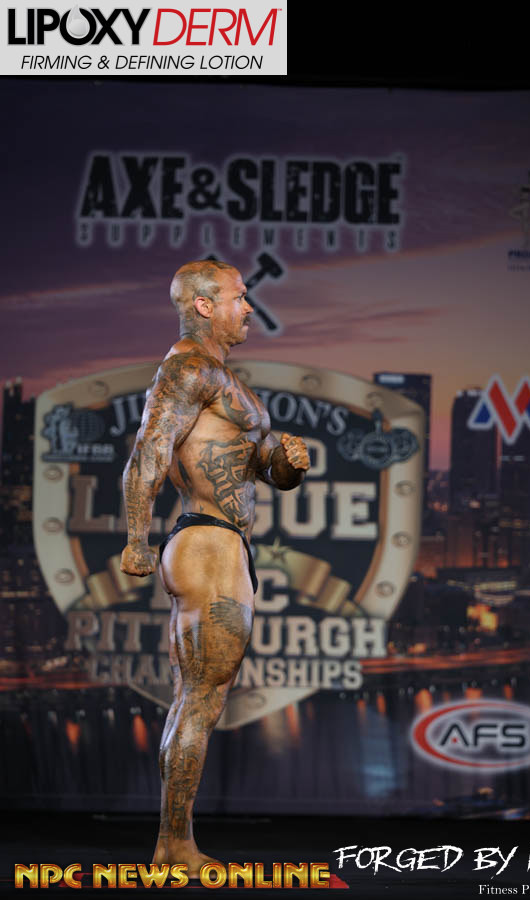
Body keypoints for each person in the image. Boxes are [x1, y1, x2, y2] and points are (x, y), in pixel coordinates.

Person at [120, 259, 310, 875]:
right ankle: (174, 845)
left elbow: (258, 469)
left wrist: (287, 464)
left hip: (224, 544)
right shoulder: (187, 367)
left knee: (196, 698)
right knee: (201, 699)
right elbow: (150, 447)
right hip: (207, 543)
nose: (248, 307)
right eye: (239, 296)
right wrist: (136, 539)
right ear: (204, 305)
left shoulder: (223, 379)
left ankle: (174, 842)